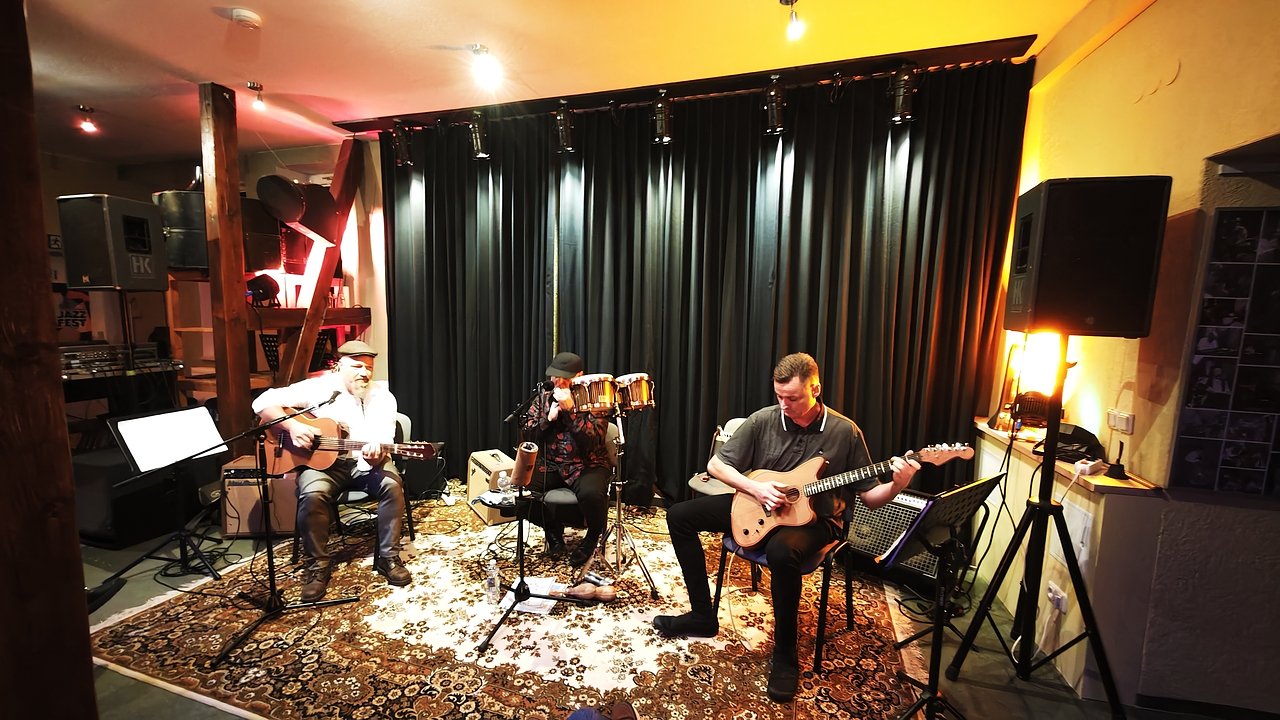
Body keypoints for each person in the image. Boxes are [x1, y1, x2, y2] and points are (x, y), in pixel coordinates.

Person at [652, 352, 919, 703]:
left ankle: (785, 653)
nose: (784, 405)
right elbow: (716, 465)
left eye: (792, 398)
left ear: (815, 389)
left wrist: (898, 484)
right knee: (679, 516)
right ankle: (702, 615)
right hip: (762, 506)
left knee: (781, 550)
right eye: (779, 396)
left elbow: (870, 497)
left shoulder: (844, 431)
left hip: (819, 521)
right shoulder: (764, 419)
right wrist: (756, 489)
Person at [251, 340, 411, 602]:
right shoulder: (319, 389)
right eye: (357, 366)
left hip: (366, 464)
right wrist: (293, 428)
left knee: (393, 485)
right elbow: (262, 402)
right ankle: (318, 566)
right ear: (339, 366)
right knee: (312, 495)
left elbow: (384, 436)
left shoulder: (383, 397)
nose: (364, 373)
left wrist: (377, 452)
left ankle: (388, 557)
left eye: (369, 367)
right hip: (323, 466)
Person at [519, 351, 612, 567]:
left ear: (579, 375)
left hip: (588, 464)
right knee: (519, 491)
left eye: (564, 378)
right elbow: (528, 435)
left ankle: (592, 538)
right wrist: (548, 420)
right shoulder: (543, 398)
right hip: (552, 465)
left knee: (592, 494)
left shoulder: (595, 399)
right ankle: (553, 531)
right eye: (555, 376)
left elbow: (593, 440)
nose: (558, 382)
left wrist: (570, 411)